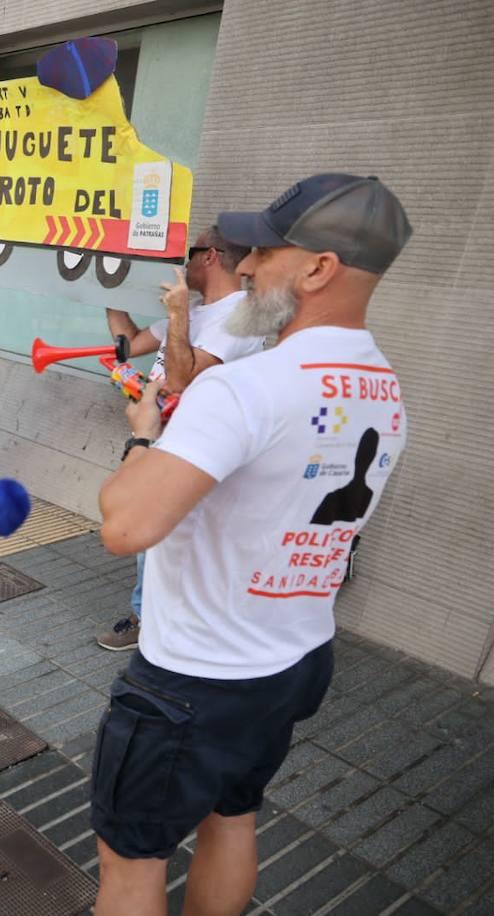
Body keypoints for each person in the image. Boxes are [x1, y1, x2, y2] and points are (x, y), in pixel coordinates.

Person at [91, 174, 410, 916]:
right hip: (294, 659)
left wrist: (142, 440)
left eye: (265, 251)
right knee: (231, 819)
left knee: (131, 859)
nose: (244, 267)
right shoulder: (384, 385)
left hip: (191, 678)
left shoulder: (244, 387)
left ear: (318, 268)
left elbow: (125, 527)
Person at [96, 227, 266, 651]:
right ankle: (149, 616)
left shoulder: (240, 314)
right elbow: (132, 342)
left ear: (210, 257)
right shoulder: (194, 310)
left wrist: (177, 317)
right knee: (155, 540)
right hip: (164, 439)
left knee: (165, 538)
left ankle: (157, 623)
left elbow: (181, 377)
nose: (181, 263)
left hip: (197, 448)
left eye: (189, 253)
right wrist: (105, 286)